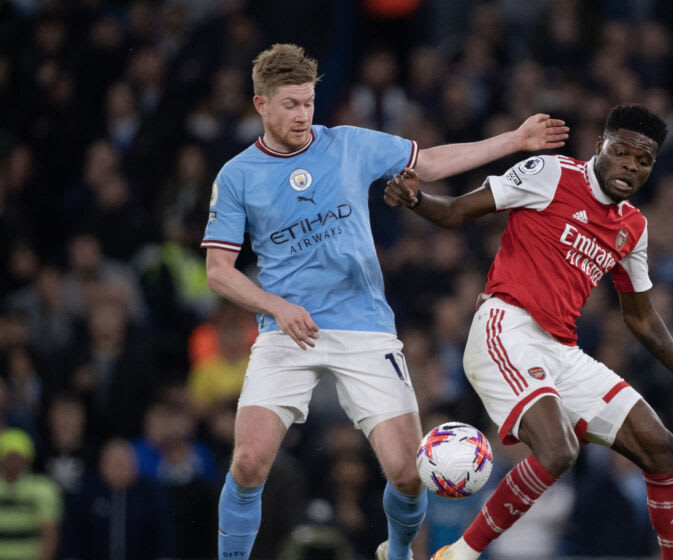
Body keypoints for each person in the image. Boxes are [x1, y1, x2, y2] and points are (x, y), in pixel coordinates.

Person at [201, 43, 569, 560]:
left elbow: (430, 162)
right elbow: (218, 272)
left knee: (407, 474)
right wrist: (276, 307)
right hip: (286, 332)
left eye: (308, 102)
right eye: (290, 105)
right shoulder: (237, 175)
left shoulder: (348, 144)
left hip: (364, 327)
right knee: (247, 463)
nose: (303, 115)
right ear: (260, 104)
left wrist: (515, 139)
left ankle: (397, 555)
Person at [383, 104, 673, 560]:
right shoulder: (551, 173)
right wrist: (417, 201)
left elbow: (641, 319)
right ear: (600, 146)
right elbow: (459, 211)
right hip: (506, 327)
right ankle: (459, 554)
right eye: (621, 152)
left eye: (643, 161)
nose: (630, 166)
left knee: (664, 450)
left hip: (561, 349)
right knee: (558, 449)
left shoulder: (633, 227)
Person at [0, 428, 62, 560]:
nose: (12, 462)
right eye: (8, 456)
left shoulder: (43, 489)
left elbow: (50, 534)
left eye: (17, 457)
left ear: (27, 458)